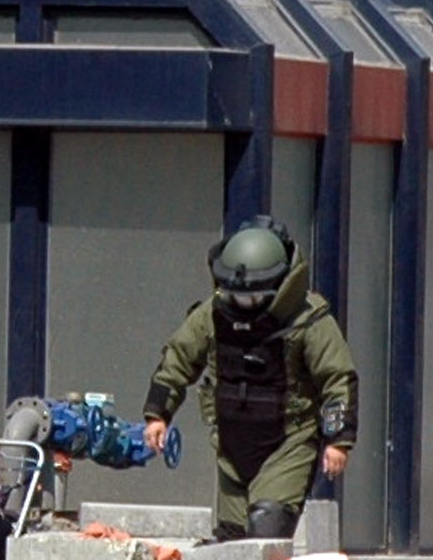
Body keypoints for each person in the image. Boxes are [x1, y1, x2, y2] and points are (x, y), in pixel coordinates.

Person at [142, 216, 357, 541]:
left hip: (288, 441)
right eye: (237, 297)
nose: (243, 306)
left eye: (253, 299)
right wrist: (159, 414)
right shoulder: (212, 314)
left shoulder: (308, 319)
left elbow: (337, 379)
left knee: (267, 527)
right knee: (233, 542)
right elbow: (178, 359)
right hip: (231, 443)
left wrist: (337, 441)